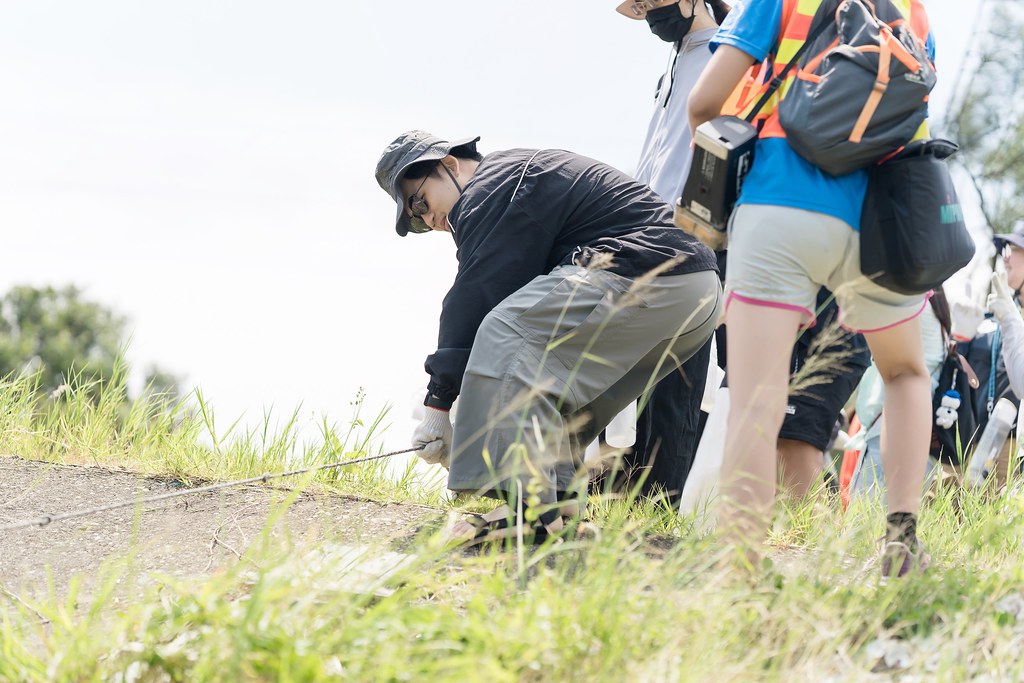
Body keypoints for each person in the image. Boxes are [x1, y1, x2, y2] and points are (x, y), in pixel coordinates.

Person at [688, 0, 936, 576]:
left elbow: (704, 101)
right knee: (904, 373)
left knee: (756, 394)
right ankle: (901, 541)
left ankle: (741, 562)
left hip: (777, 202)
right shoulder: (916, 17)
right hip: (875, 222)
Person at [374, 130, 722, 540]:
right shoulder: (515, 189)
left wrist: (437, 408)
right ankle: (560, 515)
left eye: (420, 201)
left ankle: (531, 515)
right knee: (559, 398)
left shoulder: (492, 185)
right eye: (416, 220)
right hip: (696, 294)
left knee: (505, 333)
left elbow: (473, 301)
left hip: (647, 271)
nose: (428, 220)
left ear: (449, 164)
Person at [613, 0, 870, 504]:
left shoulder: (740, 35)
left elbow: (706, 112)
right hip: (836, 218)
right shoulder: (899, 19)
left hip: (736, 219)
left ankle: (713, 520)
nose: (648, 14)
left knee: (738, 382)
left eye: (653, 3)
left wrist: (704, 204)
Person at [605, 0, 731, 504]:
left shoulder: (727, 52)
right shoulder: (675, 64)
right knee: (628, 372)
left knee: (677, 380)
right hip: (643, 233)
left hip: (694, 234)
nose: (648, 13)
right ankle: (619, 498)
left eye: (651, 2)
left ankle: (660, 506)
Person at [851, 290, 952, 496]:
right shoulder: (935, 314)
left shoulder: (913, 304)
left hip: (890, 429)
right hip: (921, 434)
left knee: (863, 519)